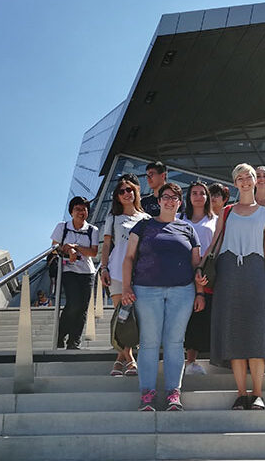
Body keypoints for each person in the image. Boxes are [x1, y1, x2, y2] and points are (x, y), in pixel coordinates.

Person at [121, 183, 206, 411]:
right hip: (147, 290)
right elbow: (129, 258)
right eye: (165, 197)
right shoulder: (143, 226)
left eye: (175, 198)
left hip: (182, 290)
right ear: (158, 201)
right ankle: (147, 393)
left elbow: (196, 264)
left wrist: (199, 292)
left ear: (180, 203)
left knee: (175, 343)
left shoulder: (188, 229)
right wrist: (127, 287)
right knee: (149, 342)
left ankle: (173, 392)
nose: (170, 201)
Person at [201, 163, 265, 411]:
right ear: (235, 183)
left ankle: (257, 393)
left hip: (256, 273)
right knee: (234, 332)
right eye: (240, 178)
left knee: (255, 331)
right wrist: (200, 270)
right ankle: (241, 392)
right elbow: (214, 243)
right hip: (228, 273)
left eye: (249, 177)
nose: (245, 181)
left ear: (257, 181)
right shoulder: (227, 211)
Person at [100, 175, 150, 377]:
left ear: (136, 193)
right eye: (122, 191)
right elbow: (105, 245)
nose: (126, 193)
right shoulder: (112, 218)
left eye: (130, 190)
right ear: (117, 197)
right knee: (122, 317)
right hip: (116, 271)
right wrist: (103, 268)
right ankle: (130, 360)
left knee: (135, 318)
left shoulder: (145, 218)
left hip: (140, 272)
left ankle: (119, 362)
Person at [50, 196, 99, 349]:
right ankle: (61, 333)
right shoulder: (62, 227)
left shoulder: (92, 230)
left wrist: (75, 247)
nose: (81, 212)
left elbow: (93, 252)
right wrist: (68, 249)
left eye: (84, 209)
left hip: (87, 272)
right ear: (71, 211)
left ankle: (74, 341)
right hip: (67, 269)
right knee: (74, 303)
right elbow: (54, 247)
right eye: (77, 209)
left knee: (83, 307)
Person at [180, 181, 218, 376]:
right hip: (184, 273)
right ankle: (190, 360)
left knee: (206, 315)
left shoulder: (216, 220)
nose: (198, 196)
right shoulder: (180, 219)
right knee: (190, 318)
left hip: (210, 274)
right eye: (194, 193)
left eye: (202, 193)